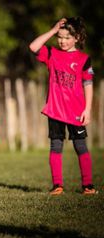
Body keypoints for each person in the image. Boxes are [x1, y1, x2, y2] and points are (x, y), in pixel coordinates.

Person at [29, 17, 96, 195]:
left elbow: (88, 84)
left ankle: (88, 186)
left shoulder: (84, 59)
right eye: (60, 36)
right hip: (55, 110)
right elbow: (33, 47)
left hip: (76, 111)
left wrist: (87, 109)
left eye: (67, 37)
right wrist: (52, 30)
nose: (62, 41)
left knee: (81, 147)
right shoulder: (52, 54)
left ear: (77, 38)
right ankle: (57, 185)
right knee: (55, 147)